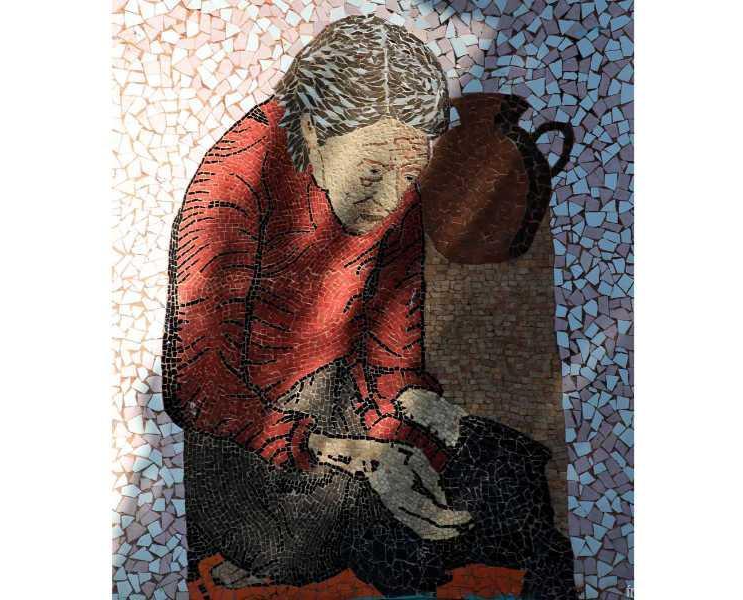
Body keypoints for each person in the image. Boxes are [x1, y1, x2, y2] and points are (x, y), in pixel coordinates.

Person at [163, 15, 576, 599]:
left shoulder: (398, 191)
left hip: (343, 403)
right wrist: (354, 456)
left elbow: (393, 354)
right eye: (372, 171)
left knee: (503, 478)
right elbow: (199, 387)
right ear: (312, 133)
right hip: (245, 429)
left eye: (410, 174)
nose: (391, 199)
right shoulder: (234, 181)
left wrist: (415, 432)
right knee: (310, 543)